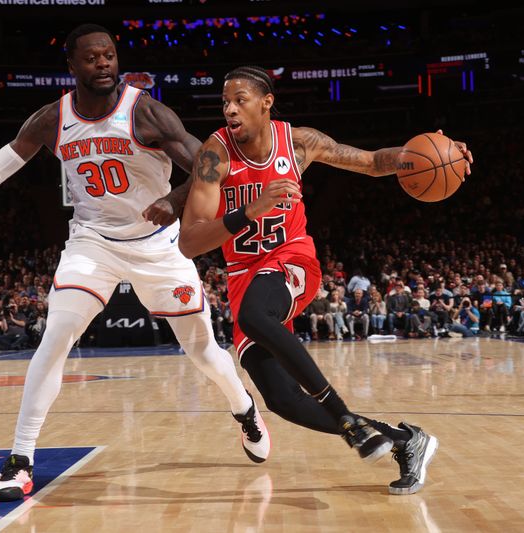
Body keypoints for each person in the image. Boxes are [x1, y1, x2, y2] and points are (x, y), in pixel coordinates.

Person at [0, 24, 269, 502]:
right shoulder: (52, 118)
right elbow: (5, 161)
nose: (103, 63)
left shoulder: (147, 112)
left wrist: (175, 197)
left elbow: (213, 168)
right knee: (56, 336)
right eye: (92, 57)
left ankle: (243, 407)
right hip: (93, 242)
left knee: (203, 351)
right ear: (72, 65)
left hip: (158, 243)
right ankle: (20, 460)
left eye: (109, 55)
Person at [179, 66, 472, 494]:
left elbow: (372, 163)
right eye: (224, 101)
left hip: (291, 259)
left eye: (239, 100)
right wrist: (248, 210)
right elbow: (189, 242)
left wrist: (431, 151)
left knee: (255, 314)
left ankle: (344, 415)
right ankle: (404, 440)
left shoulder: (298, 142)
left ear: (266, 102)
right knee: (282, 401)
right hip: (244, 275)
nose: (229, 109)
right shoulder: (214, 155)